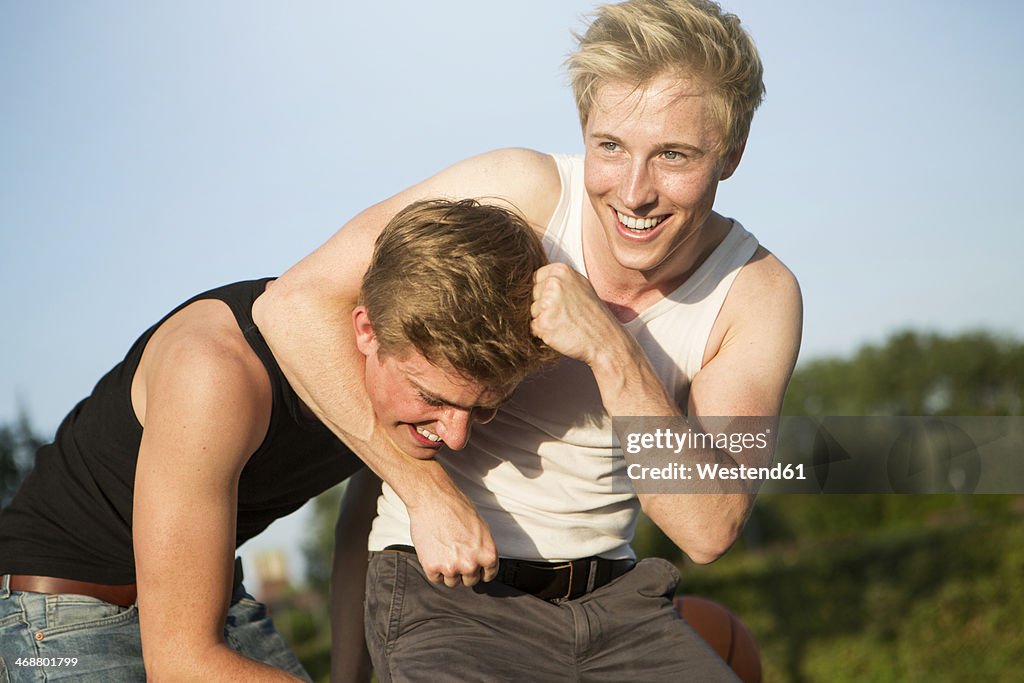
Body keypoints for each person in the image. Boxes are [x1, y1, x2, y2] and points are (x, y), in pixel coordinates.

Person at [256, 0, 803, 679]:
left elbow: (707, 525)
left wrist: (610, 345)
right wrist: (425, 493)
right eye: (611, 147)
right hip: (449, 596)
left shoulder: (757, 293)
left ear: (731, 153)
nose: (634, 192)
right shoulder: (521, 192)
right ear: (583, 130)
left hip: (620, 608)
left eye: (673, 155)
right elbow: (292, 305)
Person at [0, 199, 554, 682]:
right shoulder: (215, 372)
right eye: (432, 397)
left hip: (202, 602)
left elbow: (364, 532)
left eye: (479, 410)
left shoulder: (393, 394)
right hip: (57, 612)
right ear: (367, 330)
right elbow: (180, 663)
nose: (454, 437)